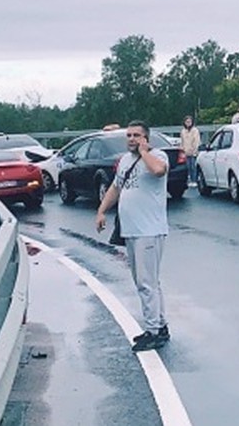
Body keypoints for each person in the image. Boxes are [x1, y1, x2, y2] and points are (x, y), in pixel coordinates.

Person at [96, 120, 171, 352]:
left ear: (146, 138)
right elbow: (116, 188)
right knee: (146, 281)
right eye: (128, 135)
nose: (131, 139)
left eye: (136, 135)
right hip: (131, 230)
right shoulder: (125, 161)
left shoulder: (157, 156)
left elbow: (159, 171)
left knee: (146, 283)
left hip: (149, 230)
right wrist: (101, 210)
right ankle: (159, 324)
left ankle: (154, 331)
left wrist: (144, 152)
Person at [180, 115, 201, 187]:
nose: (188, 123)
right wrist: (182, 149)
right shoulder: (183, 131)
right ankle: (190, 180)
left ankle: (194, 180)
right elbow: (182, 141)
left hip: (193, 151)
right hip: (186, 151)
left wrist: (195, 149)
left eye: (189, 122)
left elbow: (196, 141)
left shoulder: (195, 130)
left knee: (193, 166)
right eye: (187, 122)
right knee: (187, 166)